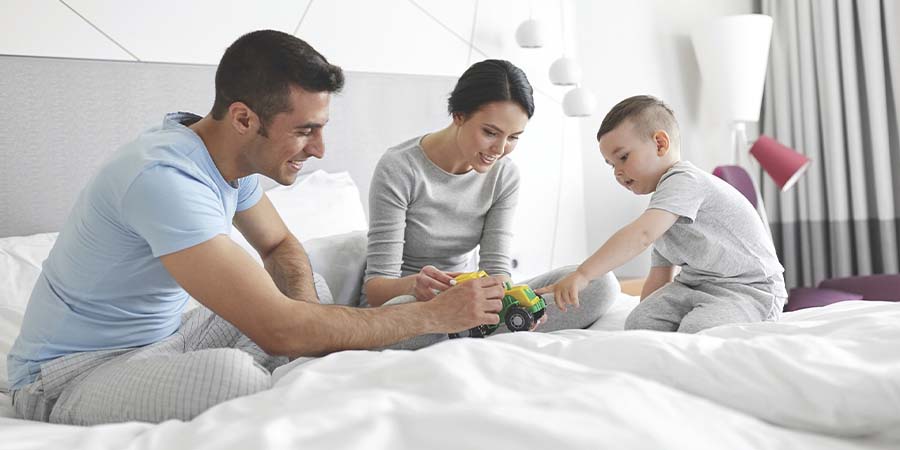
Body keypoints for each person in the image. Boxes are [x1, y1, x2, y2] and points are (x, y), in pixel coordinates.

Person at [7, 30, 506, 426]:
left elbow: (280, 245)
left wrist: (310, 319)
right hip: (73, 373)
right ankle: (388, 335)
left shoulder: (221, 155)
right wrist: (427, 317)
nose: (319, 149)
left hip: (173, 333)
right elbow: (277, 326)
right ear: (244, 118)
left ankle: (336, 344)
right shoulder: (163, 180)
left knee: (308, 280)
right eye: (305, 130)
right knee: (233, 379)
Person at [363, 59, 619, 347]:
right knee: (399, 313)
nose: (499, 150)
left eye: (513, 138)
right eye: (490, 133)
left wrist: (507, 299)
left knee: (600, 284)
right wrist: (416, 284)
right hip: (411, 305)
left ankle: (479, 331)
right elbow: (376, 290)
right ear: (458, 115)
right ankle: (477, 332)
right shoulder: (400, 168)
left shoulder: (504, 175)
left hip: (470, 296)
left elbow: (497, 271)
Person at [536, 95, 787, 333]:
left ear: (660, 143)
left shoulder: (685, 181)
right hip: (694, 286)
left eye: (623, 157)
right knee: (638, 323)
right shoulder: (663, 208)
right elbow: (660, 277)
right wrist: (647, 312)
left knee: (699, 330)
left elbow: (642, 235)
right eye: (612, 165)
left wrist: (583, 274)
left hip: (749, 289)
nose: (617, 172)